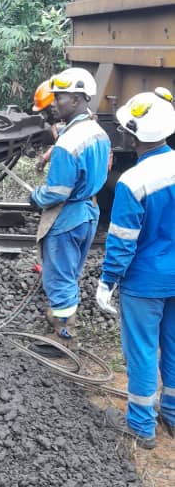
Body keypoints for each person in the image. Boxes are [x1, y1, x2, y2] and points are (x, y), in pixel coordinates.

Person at [96, 91, 175, 449]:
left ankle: (141, 425)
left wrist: (108, 280)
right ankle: (171, 414)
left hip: (146, 281)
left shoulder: (134, 182)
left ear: (131, 135)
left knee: (142, 349)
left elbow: (123, 240)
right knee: (173, 346)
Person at [30, 68, 111, 342]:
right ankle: (62, 319)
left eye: (60, 97)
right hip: (89, 213)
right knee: (70, 273)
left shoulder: (67, 144)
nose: (54, 103)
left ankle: (62, 336)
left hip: (68, 218)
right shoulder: (98, 132)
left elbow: (57, 192)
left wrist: (36, 197)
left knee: (60, 277)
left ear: (76, 99)